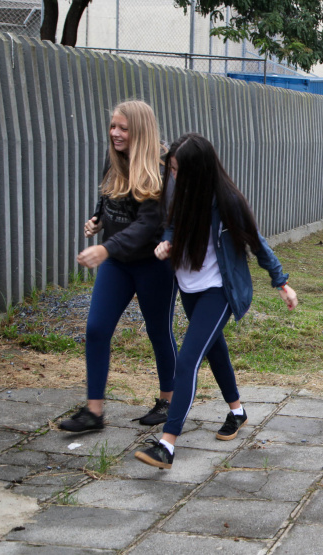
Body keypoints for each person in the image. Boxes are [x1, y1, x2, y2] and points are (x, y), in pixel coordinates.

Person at [134, 133, 298, 469]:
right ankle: (237, 412)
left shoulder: (227, 202)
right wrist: (166, 243)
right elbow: (171, 226)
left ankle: (168, 443)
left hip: (220, 290)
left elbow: (257, 242)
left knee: (188, 359)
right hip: (190, 286)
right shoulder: (180, 192)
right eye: (173, 169)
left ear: (199, 169)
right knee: (215, 350)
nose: (174, 175)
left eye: (179, 169)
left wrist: (281, 282)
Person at [60, 100, 179, 434]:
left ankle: (167, 400)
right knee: (97, 328)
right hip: (117, 263)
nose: (115, 133)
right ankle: (94, 412)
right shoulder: (113, 160)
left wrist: (103, 248)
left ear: (139, 130)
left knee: (158, 332)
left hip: (153, 264)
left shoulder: (160, 167)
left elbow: (146, 225)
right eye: (113, 126)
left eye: (123, 128)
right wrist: (99, 219)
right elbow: (109, 198)